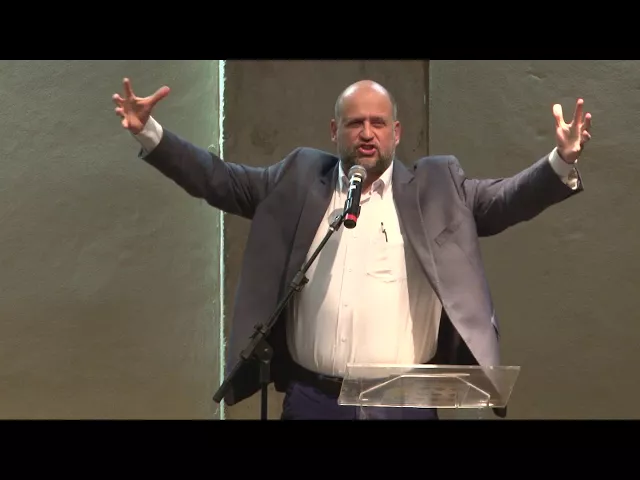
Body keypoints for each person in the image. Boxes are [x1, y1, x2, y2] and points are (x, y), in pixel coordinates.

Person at [113, 77, 592, 420]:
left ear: (396, 133)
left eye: (378, 123)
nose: (367, 133)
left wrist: (559, 160)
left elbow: (507, 199)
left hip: (404, 404)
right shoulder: (298, 179)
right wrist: (150, 133)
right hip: (314, 400)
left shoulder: (438, 187)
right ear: (334, 131)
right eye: (355, 123)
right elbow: (220, 180)